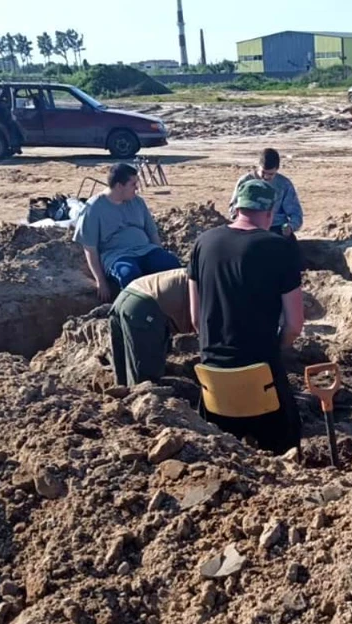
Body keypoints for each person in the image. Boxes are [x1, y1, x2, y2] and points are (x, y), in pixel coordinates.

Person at [189, 179, 304, 455]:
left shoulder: (202, 243)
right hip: (260, 378)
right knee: (287, 445)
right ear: (269, 212)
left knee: (222, 453)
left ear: (237, 208)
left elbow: (195, 319)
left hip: (213, 380)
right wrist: (278, 347)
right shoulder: (280, 248)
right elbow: (294, 325)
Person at [74, 163, 181, 302]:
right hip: (117, 255)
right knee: (129, 274)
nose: (137, 188)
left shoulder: (138, 202)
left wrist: (160, 253)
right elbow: (90, 248)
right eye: (133, 184)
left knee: (171, 265)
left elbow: (152, 233)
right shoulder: (94, 208)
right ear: (119, 186)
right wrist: (101, 280)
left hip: (146, 250)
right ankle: (139, 313)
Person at [109, 268, 191, 387]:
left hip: (126, 296)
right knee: (145, 384)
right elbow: (199, 322)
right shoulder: (212, 280)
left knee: (123, 378)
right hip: (144, 307)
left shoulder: (205, 270)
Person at [228, 148, 304, 240]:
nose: (266, 177)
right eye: (263, 173)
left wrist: (290, 227)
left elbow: (296, 214)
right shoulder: (245, 181)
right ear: (258, 166)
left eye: (271, 174)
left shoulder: (284, 184)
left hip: (276, 228)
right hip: (249, 227)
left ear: (277, 169)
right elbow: (233, 208)